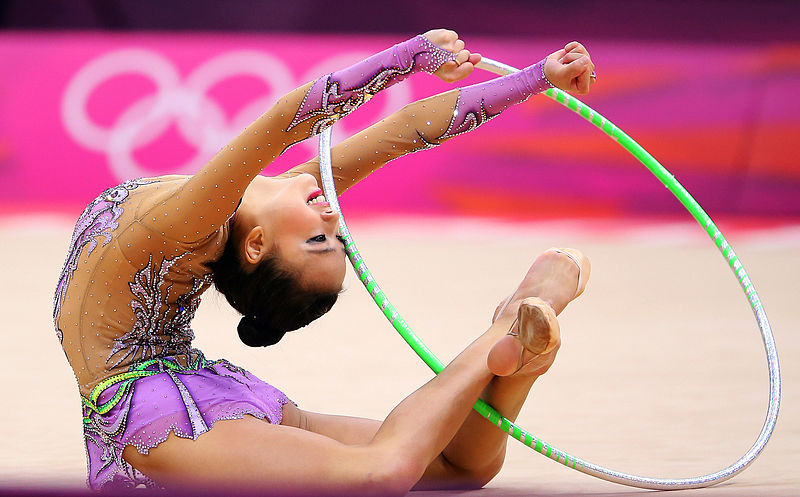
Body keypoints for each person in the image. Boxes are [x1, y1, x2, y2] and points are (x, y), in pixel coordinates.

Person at [53, 29, 595, 493]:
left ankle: (512, 357)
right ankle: (509, 330)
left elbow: (303, 121)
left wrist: (515, 73)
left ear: (259, 247)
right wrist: (528, 78)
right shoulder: (221, 222)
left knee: (447, 464)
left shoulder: (195, 219)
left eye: (318, 241)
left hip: (161, 408)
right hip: (167, 408)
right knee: (400, 468)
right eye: (331, 239)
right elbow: (397, 134)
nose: (334, 219)